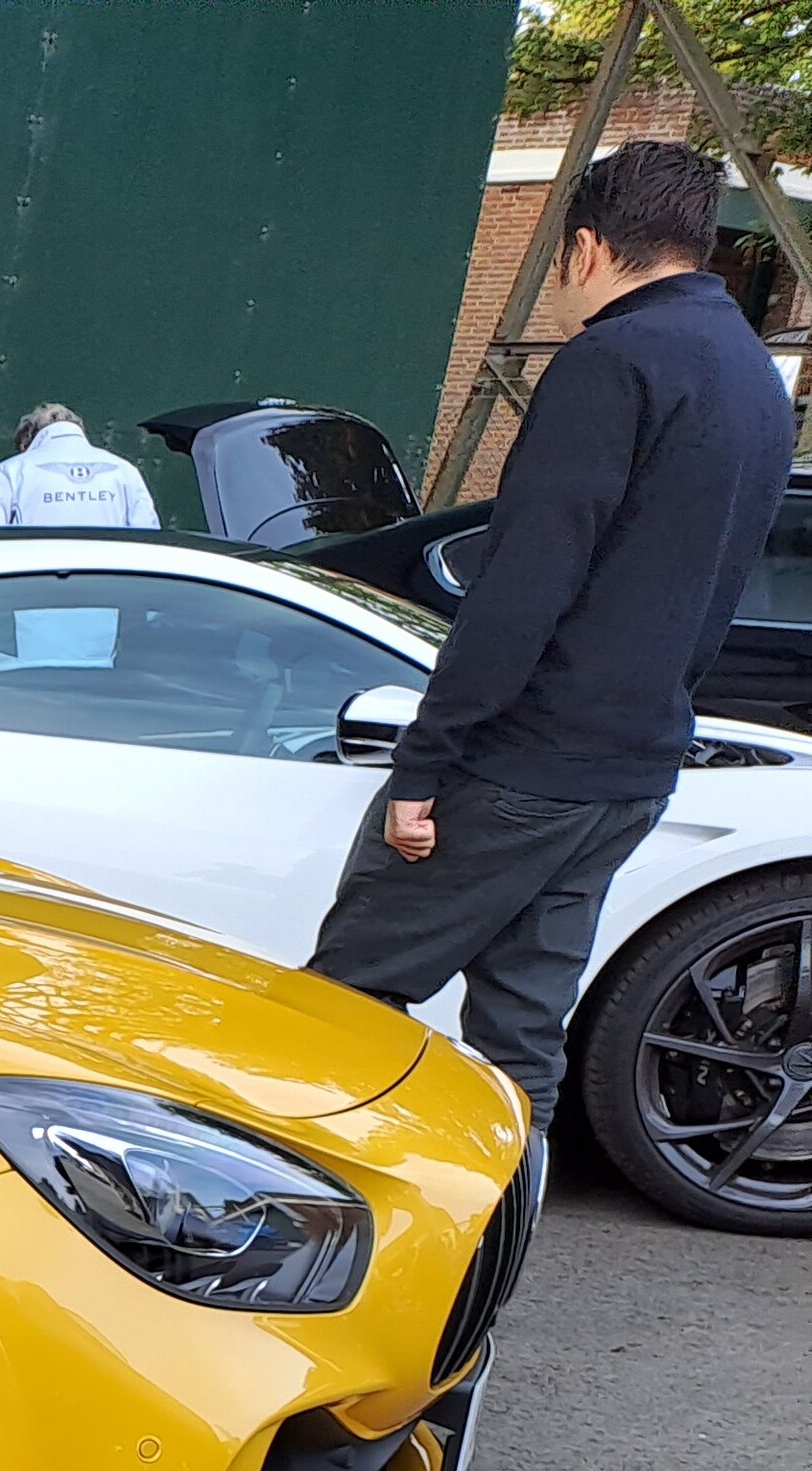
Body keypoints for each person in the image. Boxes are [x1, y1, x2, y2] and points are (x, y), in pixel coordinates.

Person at [311, 139, 791, 1134]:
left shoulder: (611, 361)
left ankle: (300, 1254)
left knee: (338, 1002)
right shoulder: (753, 375)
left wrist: (422, 766)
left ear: (582, 250)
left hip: (522, 761)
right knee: (523, 1036)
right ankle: (494, 1259)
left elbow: (523, 585)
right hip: (631, 767)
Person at [0, 404, 163, 530]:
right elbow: (148, 536)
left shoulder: (10, 471)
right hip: (110, 587)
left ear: (26, 441)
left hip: (33, 588)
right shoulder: (123, 470)